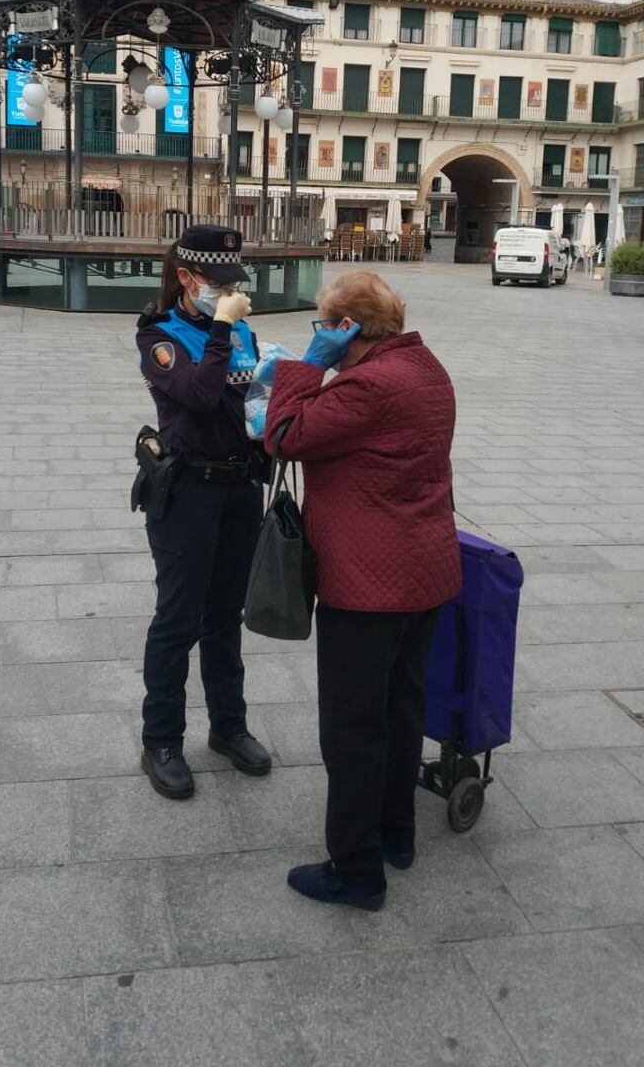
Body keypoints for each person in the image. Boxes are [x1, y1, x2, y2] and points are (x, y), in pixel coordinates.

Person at [264, 270, 460, 911]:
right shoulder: (425, 367)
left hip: (368, 584)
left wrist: (303, 368)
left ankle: (355, 871)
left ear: (347, 329)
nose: (317, 334)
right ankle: (395, 834)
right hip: (425, 573)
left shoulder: (367, 386)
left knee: (352, 729)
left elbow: (285, 437)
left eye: (323, 325)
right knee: (401, 711)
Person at [135, 224, 272, 800]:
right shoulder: (158, 334)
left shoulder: (242, 332)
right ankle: (161, 740)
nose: (229, 293)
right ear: (187, 278)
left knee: (224, 617)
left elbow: (250, 400)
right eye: (217, 283)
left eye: (232, 284)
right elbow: (197, 394)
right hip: (187, 493)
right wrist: (219, 325)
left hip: (240, 489)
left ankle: (228, 727)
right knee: (178, 621)